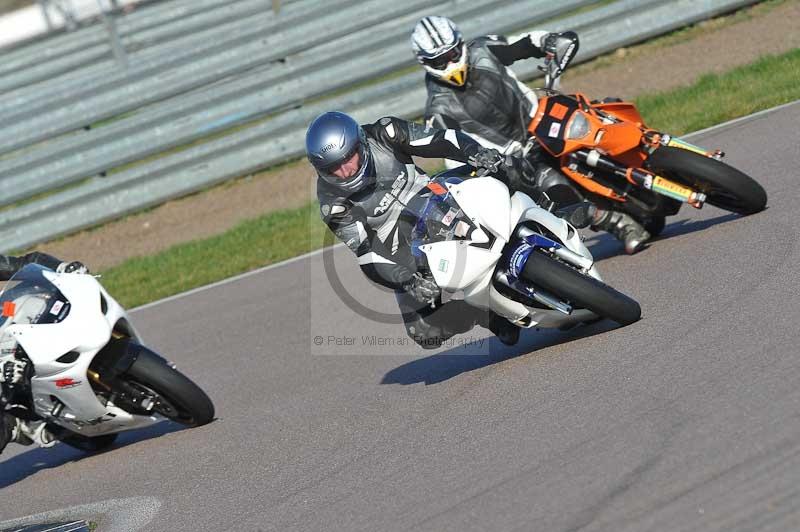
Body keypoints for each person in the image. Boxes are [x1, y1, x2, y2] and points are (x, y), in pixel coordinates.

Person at [308, 111, 575, 350]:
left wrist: (475, 152)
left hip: (435, 191)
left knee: (501, 163)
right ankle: (485, 313)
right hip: (400, 241)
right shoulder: (333, 204)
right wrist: (407, 280)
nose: (346, 170)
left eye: (349, 158)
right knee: (423, 332)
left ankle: (553, 210)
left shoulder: (385, 132)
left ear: (361, 144)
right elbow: (367, 255)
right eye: (334, 168)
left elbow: (441, 139)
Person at [410, 15, 650, 255]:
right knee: (553, 189)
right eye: (440, 60)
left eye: (452, 54)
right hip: (518, 159)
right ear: (425, 62)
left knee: (600, 113)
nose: (451, 63)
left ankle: (649, 148)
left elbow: (522, 43)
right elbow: (453, 153)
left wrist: (549, 41)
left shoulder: (482, 50)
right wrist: (487, 163)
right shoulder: (437, 110)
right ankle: (616, 222)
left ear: (460, 43)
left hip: (542, 120)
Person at [0, 252, 87, 455]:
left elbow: (22, 265)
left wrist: (62, 268)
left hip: (5, 313)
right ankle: (21, 425)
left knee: (34, 298)